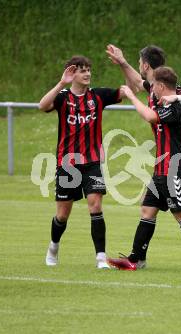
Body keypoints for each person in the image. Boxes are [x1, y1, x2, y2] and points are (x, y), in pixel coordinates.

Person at [105, 44, 181, 268]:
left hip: (176, 162)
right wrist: (123, 63)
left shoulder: (170, 95)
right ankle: (136, 259)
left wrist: (175, 100)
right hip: (163, 162)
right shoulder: (157, 87)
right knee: (148, 208)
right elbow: (137, 83)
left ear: (145, 64)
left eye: (138, 62)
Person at [39, 56, 124, 268]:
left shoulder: (98, 96)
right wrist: (62, 83)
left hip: (92, 161)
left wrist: (123, 65)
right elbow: (42, 106)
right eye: (82, 70)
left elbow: (128, 90)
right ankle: (53, 247)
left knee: (95, 206)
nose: (87, 74)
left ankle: (101, 257)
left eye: (88, 70)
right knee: (62, 214)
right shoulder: (63, 97)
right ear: (72, 74)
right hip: (67, 164)